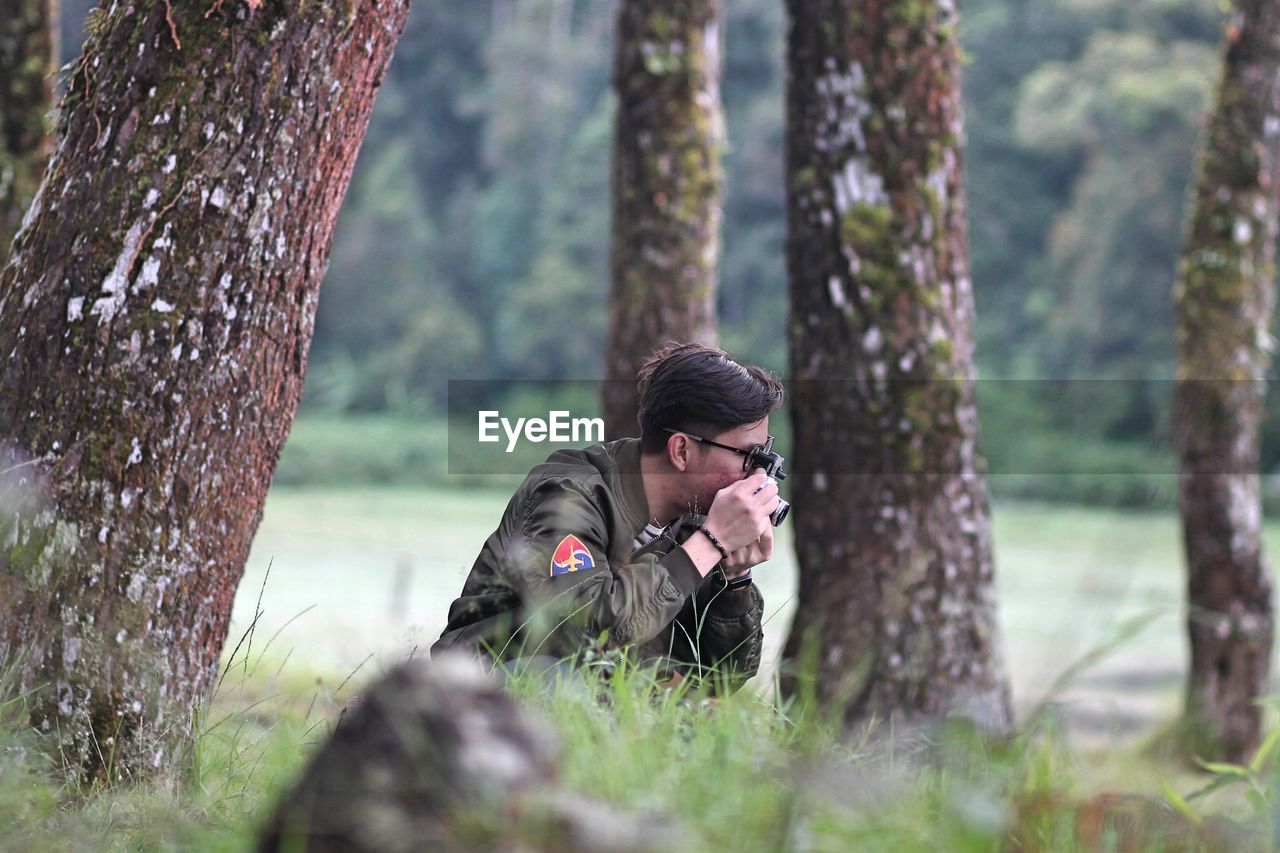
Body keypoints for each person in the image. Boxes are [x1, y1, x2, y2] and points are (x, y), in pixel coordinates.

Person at [431, 342, 785, 693]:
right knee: (559, 682)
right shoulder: (568, 494)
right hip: (481, 692)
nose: (759, 475)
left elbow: (722, 679)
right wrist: (711, 544)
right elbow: (589, 633)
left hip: (592, 700)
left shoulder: (695, 518)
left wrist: (735, 579)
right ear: (681, 450)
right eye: (750, 455)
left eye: (765, 456)